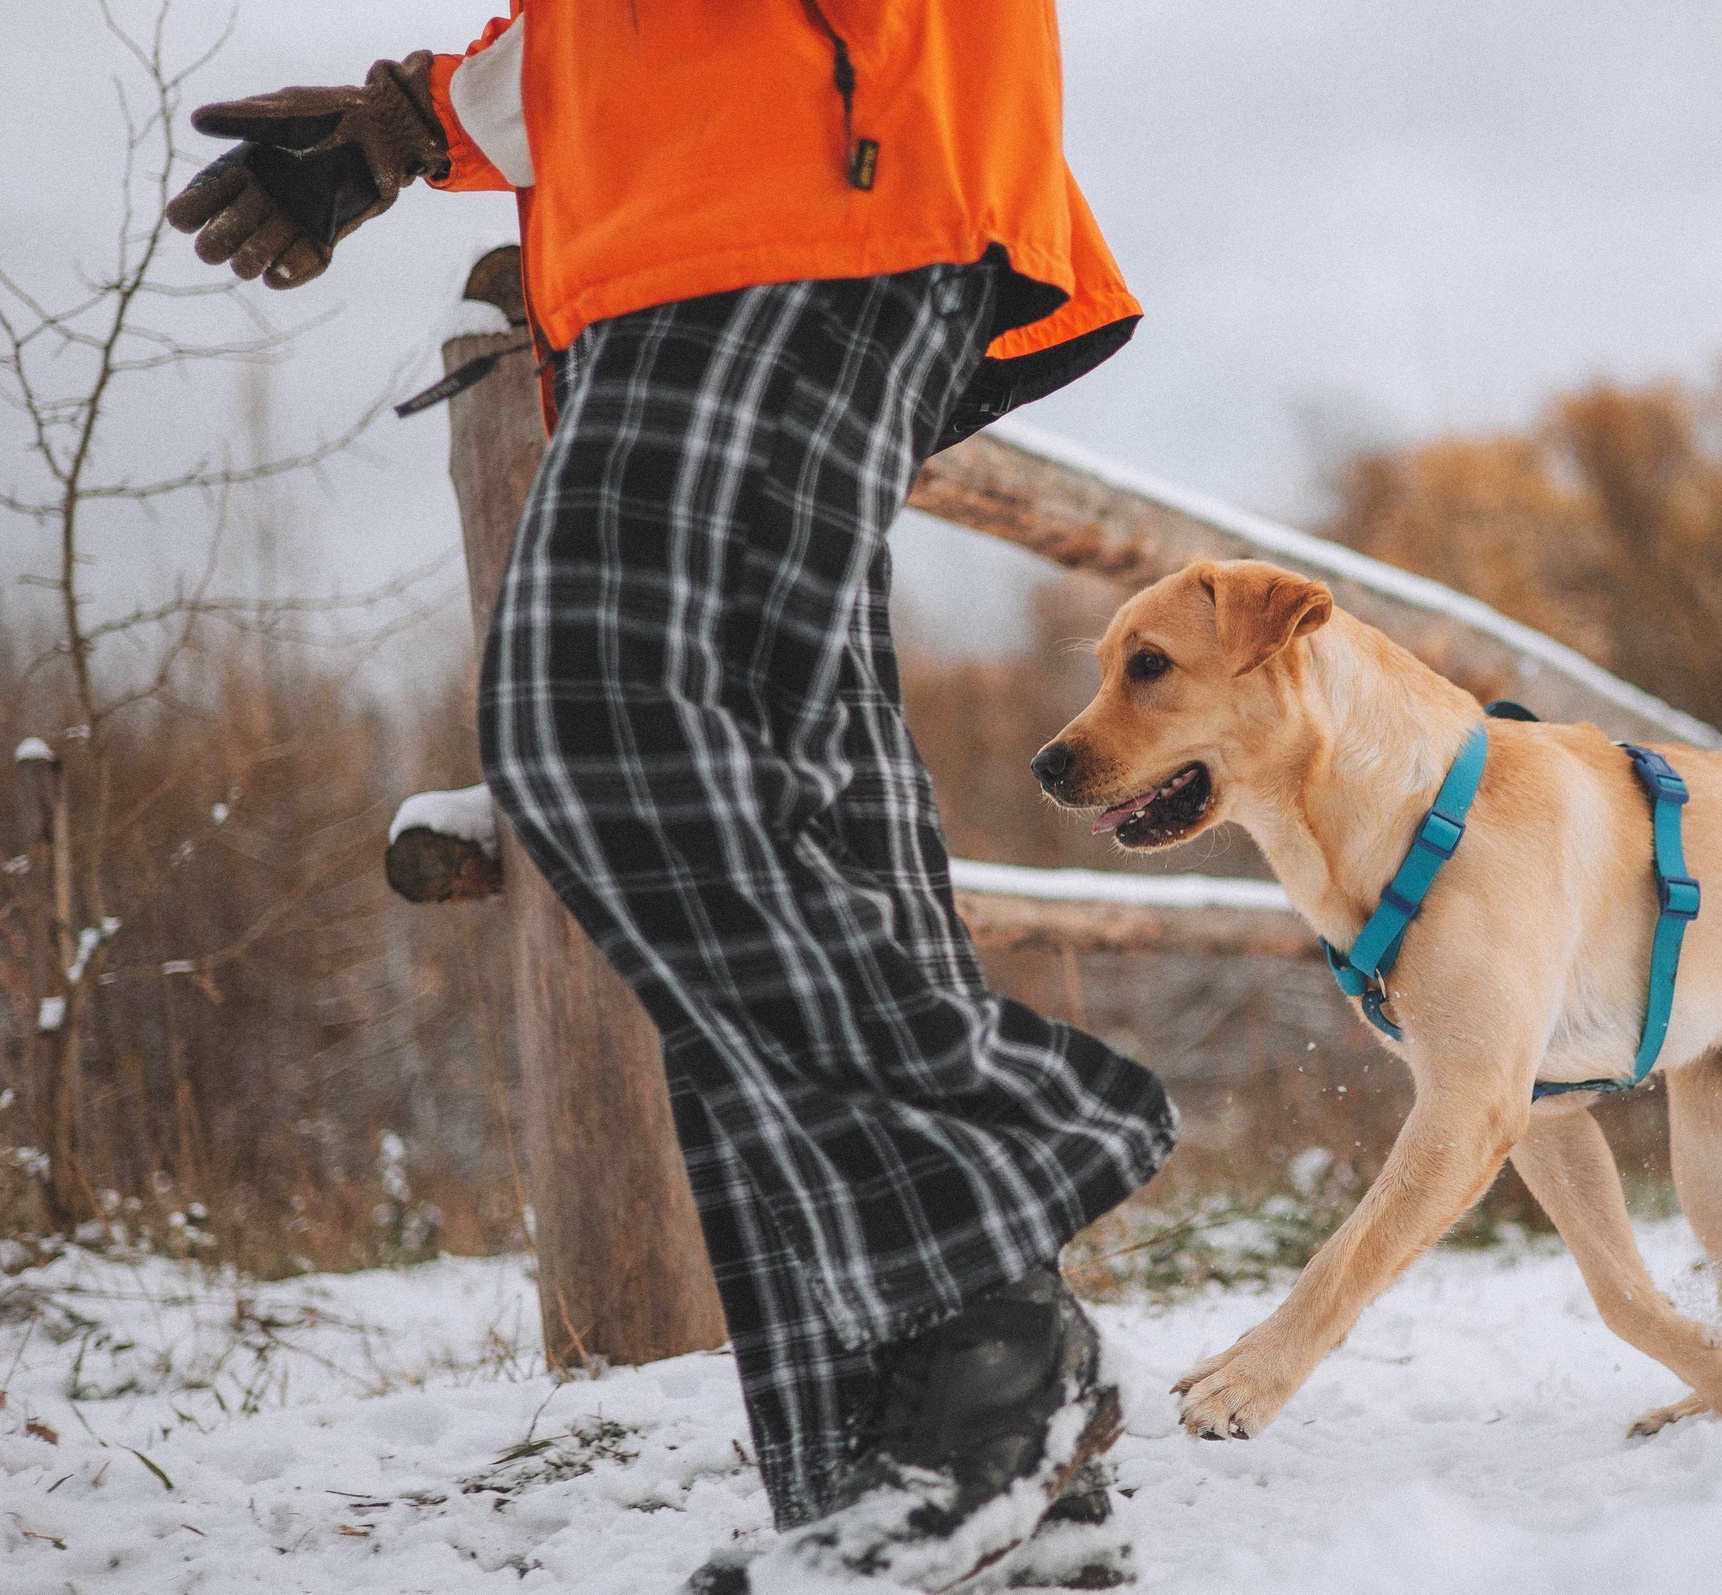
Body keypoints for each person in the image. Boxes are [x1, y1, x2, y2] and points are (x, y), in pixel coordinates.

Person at [164, 8, 1177, 1590]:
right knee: (785, 831)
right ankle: (947, 1484)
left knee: (603, 718)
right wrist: (402, 129)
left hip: (806, 180)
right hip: (715, 213)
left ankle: (988, 1303)